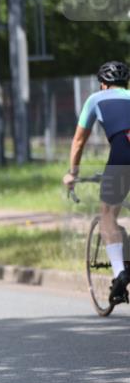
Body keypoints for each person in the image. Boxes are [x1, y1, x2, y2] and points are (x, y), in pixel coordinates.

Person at [63, 60, 130, 305]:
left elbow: (79, 141)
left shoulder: (95, 99)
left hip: (124, 151)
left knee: (107, 215)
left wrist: (72, 173)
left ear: (103, 84)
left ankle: (120, 274)